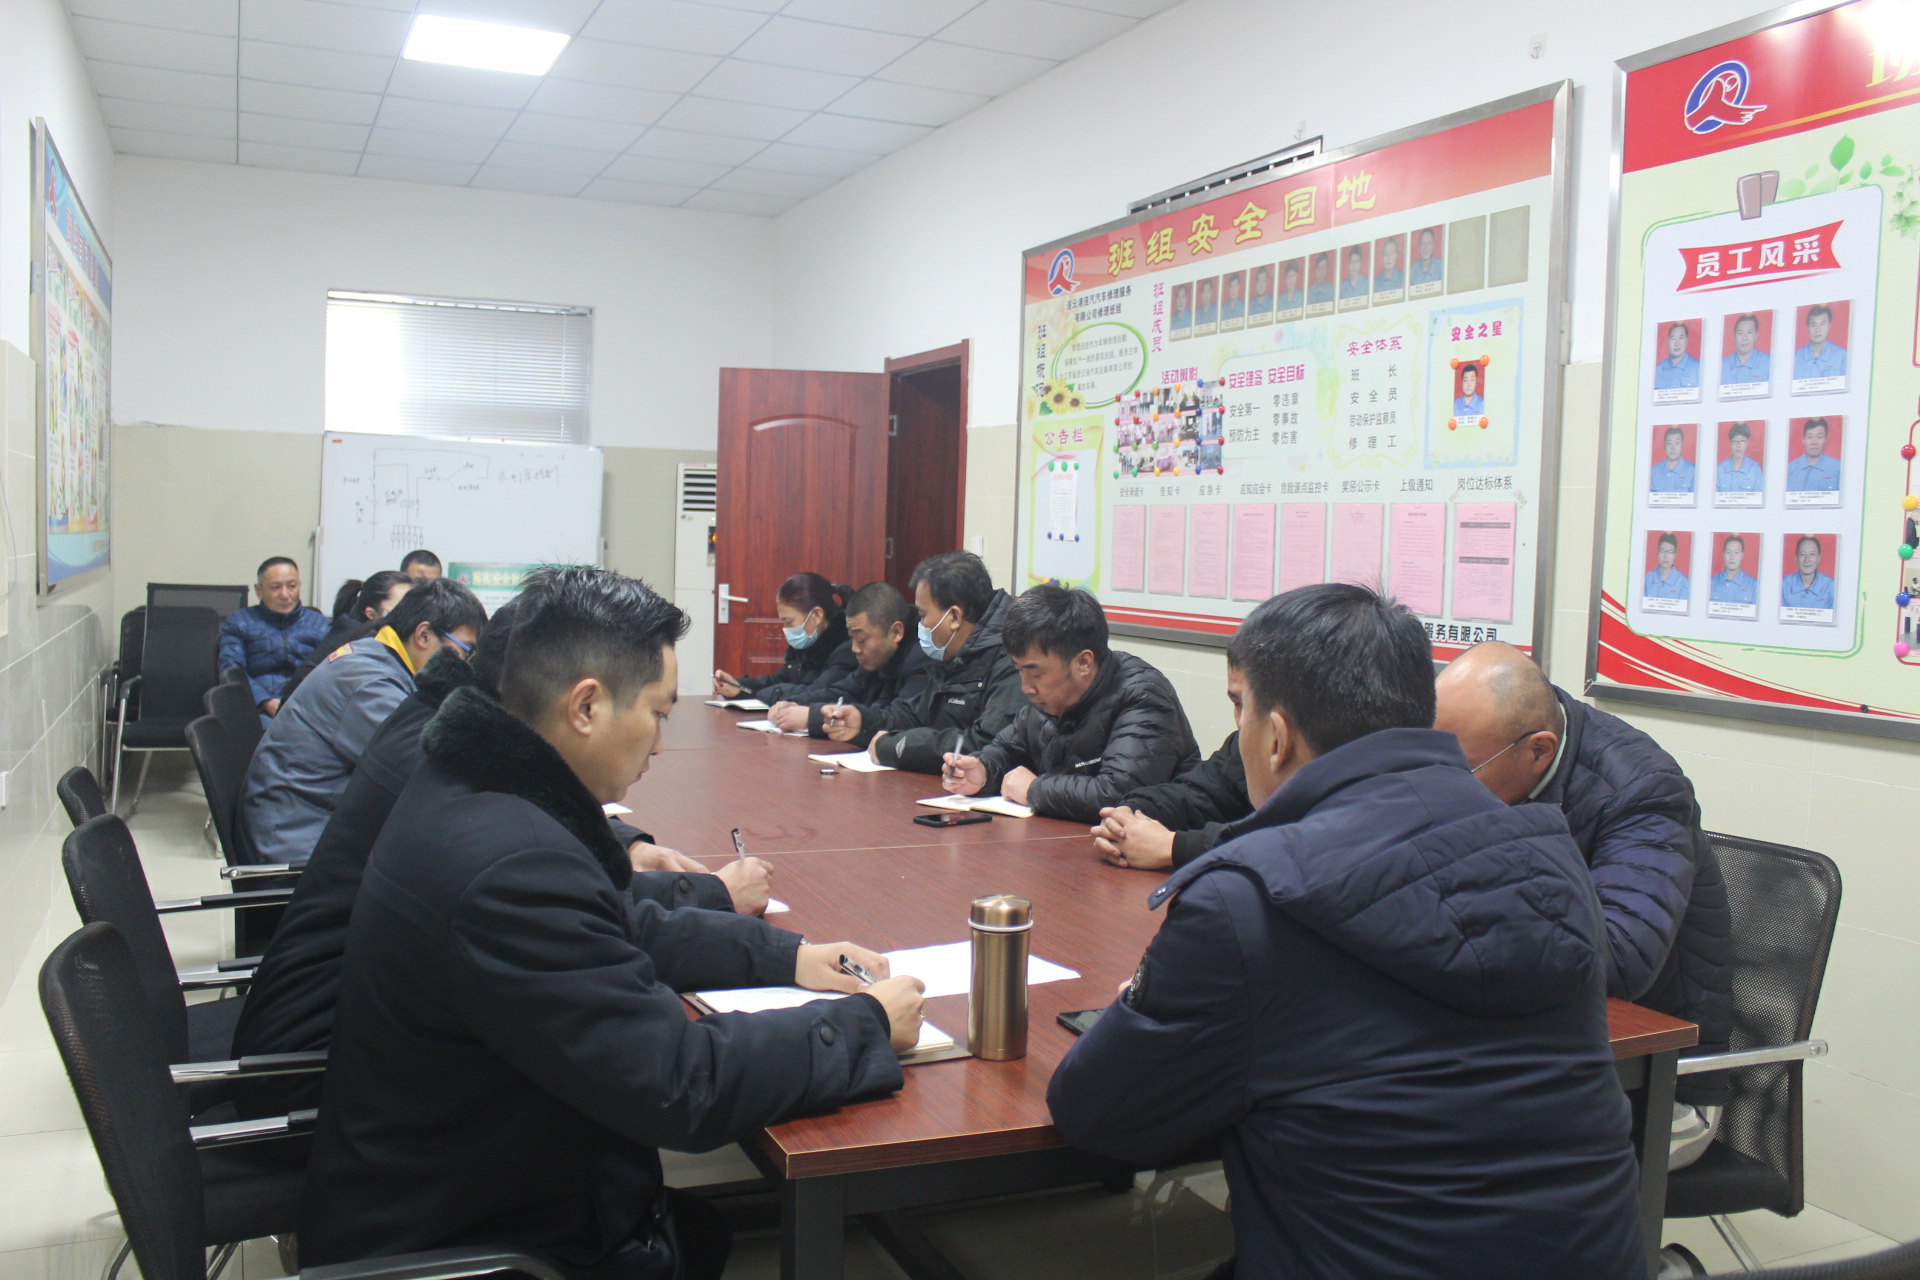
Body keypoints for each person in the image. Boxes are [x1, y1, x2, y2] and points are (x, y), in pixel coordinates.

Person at [299, 567, 923, 1280]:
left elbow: (616, 925)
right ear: (587, 706)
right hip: (471, 1241)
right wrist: (865, 1025)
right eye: (657, 714)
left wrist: (788, 957)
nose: (658, 744)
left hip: (465, 1180)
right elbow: (681, 1084)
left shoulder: (474, 785)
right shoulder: (513, 863)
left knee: (705, 1231)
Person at [1049, 586, 1646, 1279]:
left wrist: (1149, 1002)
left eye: (1241, 708)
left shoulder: (1245, 903)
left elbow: (1096, 1114)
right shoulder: (1551, 858)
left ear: (1276, 737)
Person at [230, 599, 772, 1120]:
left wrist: (624, 843)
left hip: (366, 1029)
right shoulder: (449, 772)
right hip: (319, 1060)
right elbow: (669, 1076)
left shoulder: (448, 736)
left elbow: (555, 855)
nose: (658, 744)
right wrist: (709, 894)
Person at [1432, 642, 1733, 1169]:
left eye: (1463, 771)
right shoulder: (1494, 745)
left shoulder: (1641, 790)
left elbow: (1616, 962)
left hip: (1655, 1085)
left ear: (1539, 751)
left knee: (1442, 1151)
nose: (1442, 789)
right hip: (1531, 1050)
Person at [240, 578, 487, 866]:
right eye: (465, 651)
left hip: (306, 822)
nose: (466, 664)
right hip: (296, 845)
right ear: (423, 635)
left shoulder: (376, 656)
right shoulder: (371, 684)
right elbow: (425, 771)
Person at [939, 585, 1199, 823]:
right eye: (1019, 671)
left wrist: (1034, 790)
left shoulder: (1143, 696)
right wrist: (982, 771)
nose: (1026, 687)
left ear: (1083, 662)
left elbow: (1120, 795)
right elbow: (1007, 750)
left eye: (1036, 673)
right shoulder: (1047, 700)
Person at [819, 551, 1025, 773]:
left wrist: (897, 747)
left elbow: (985, 745)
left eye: (923, 615)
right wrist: (863, 723)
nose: (920, 624)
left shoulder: (1013, 658)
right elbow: (914, 716)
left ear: (954, 617)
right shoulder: (952, 654)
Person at [772, 580, 930, 737]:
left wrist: (812, 718)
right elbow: (844, 692)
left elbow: (903, 719)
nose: (854, 649)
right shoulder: (874, 660)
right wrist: (796, 702)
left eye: (861, 640)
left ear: (896, 632)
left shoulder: (922, 659)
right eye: (852, 639)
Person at [712, 573, 857, 703]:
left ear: (816, 615)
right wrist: (739, 687)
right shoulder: (806, 648)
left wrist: (768, 694)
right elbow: (778, 681)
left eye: (789, 622)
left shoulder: (847, 650)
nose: (785, 629)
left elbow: (816, 695)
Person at [219, 557, 330, 717]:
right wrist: (264, 701)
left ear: (299, 586)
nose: (285, 595)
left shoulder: (321, 625)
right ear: (259, 590)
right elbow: (231, 670)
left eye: (292, 586)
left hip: (310, 705)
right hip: (258, 708)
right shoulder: (239, 622)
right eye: (276, 587)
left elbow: (334, 670)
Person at [283, 571, 413, 704]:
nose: (410, 615)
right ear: (371, 614)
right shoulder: (360, 641)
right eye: (401, 609)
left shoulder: (357, 628)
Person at [1793, 304, 1847, 380]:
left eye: (1822, 324)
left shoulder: (1842, 356)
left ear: (1829, 326)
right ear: (1808, 328)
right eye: (1813, 325)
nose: (1818, 330)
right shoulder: (1796, 358)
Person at [1787, 417, 1840, 491]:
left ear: (1825, 440)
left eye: (1819, 437)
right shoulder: (1789, 469)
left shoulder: (1837, 468)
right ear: (1803, 440)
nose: (1814, 442)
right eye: (1810, 437)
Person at [1783, 535, 1835, 609]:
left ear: (1819, 558)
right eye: (1803, 554)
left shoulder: (1830, 585)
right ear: (1796, 558)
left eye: (1812, 554)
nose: (1807, 560)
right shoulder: (1784, 585)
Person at [1720, 313, 1770, 385]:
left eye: (1749, 332)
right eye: (1740, 333)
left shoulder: (1768, 363)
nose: (1744, 338)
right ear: (1734, 336)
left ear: (1756, 335)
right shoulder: (1722, 365)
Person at [1709, 535, 1757, 605]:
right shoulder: (1710, 582)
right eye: (1728, 552)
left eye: (1736, 552)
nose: (1732, 557)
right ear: (1723, 555)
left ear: (1742, 555)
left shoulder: (1753, 585)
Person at [1717, 422, 1763, 492]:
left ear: (1747, 443)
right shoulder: (1720, 468)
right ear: (1730, 444)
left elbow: (1759, 495)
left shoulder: (1755, 468)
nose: (1738, 445)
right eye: (1735, 441)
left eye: (1742, 441)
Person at [1654, 321, 1701, 390]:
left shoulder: (1698, 368)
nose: (1676, 343)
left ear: (1686, 341)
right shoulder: (1657, 370)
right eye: (1673, 338)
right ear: (1668, 341)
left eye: (1680, 338)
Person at [1644, 532, 1690, 599]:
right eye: (1662, 551)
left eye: (1670, 552)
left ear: (1675, 555)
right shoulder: (1647, 578)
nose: (1665, 556)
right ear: (1657, 553)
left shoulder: (1683, 582)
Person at [1650, 424, 1695, 492]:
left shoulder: (1692, 471)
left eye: (1677, 443)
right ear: (1664, 445)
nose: (1673, 448)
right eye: (1669, 443)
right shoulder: (1653, 471)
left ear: (1682, 445)